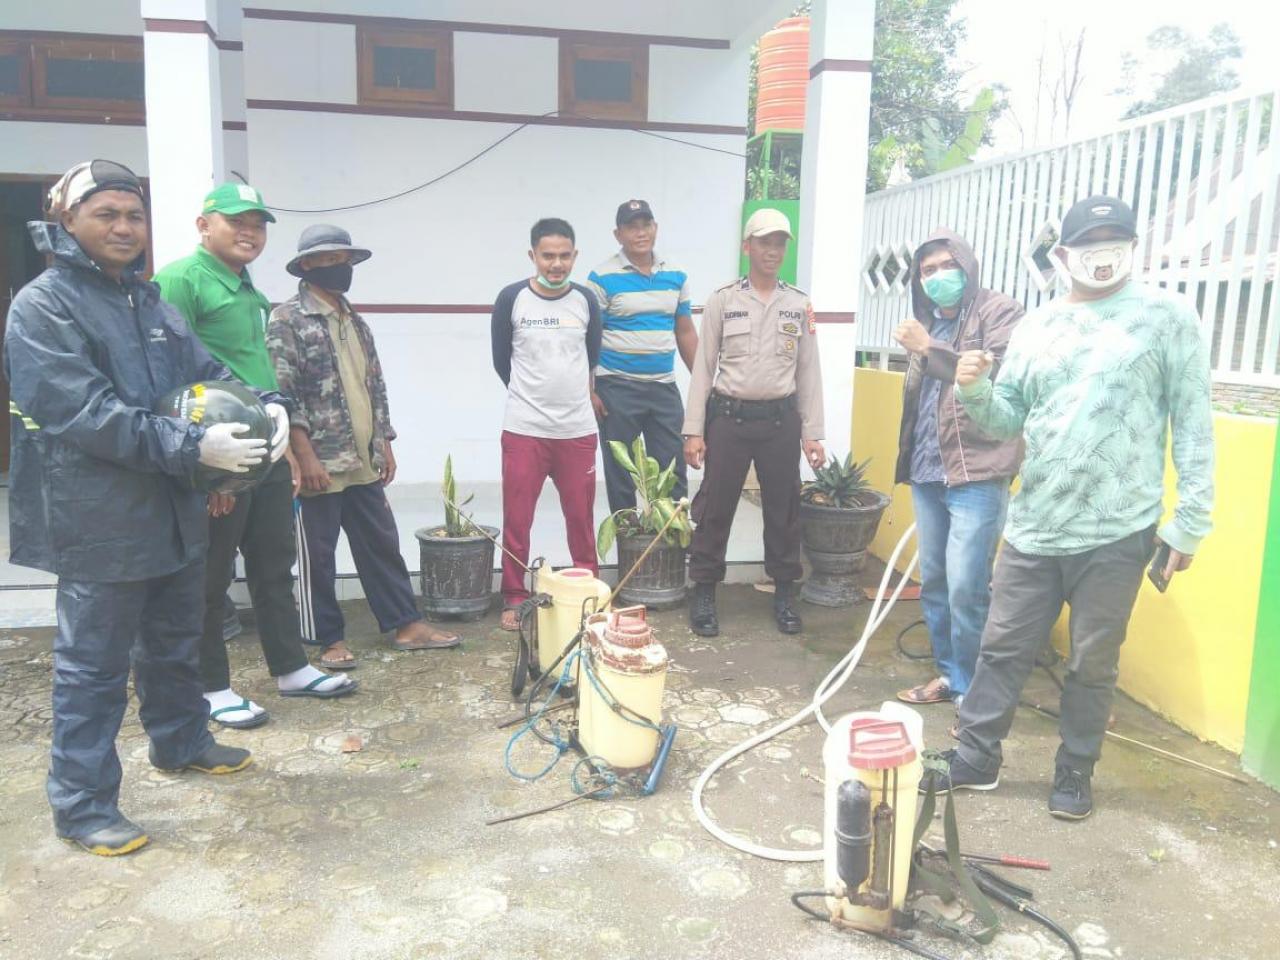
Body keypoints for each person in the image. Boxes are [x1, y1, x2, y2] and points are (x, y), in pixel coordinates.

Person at [4, 160, 274, 855]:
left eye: (134, 215)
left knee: (174, 640)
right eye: (107, 214)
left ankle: (180, 741)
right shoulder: (43, 306)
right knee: (92, 666)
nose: (124, 227)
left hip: (171, 507)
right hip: (97, 514)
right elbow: (88, 415)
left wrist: (263, 406)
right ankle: (83, 805)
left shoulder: (149, 303)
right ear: (67, 220)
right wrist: (195, 445)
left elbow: (207, 372)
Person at [922, 196, 1215, 821]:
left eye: (1116, 239)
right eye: (1090, 241)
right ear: (1062, 255)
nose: (1103, 252)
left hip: (1118, 530)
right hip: (1035, 526)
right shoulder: (1038, 326)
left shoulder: (1167, 317)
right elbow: (1008, 420)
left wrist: (1190, 521)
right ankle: (976, 756)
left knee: (1092, 661)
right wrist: (973, 387)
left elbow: (1193, 422)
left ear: (1134, 246)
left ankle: (1074, 771)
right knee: (1002, 648)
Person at [155, 183, 356, 729]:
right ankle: (210, 686)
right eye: (236, 220)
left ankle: (290, 667)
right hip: (217, 453)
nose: (250, 232)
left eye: (259, 223)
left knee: (273, 564)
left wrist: (288, 447)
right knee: (211, 575)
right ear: (203, 225)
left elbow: (261, 375)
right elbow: (168, 377)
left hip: (263, 445)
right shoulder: (180, 280)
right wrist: (205, 470)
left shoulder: (249, 291)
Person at [268, 224, 462, 668]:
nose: (340, 268)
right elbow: (284, 392)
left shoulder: (355, 320)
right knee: (317, 553)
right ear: (307, 265)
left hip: (362, 458)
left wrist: (384, 442)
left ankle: (405, 624)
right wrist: (303, 454)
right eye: (329, 260)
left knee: (380, 542)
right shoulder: (288, 319)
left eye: (344, 261)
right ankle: (327, 640)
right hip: (320, 459)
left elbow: (374, 387)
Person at [892, 230, 1024, 714]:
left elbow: (998, 379)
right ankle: (950, 673)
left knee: (969, 585)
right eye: (927, 270)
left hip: (977, 472)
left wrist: (928, 348)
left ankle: (975, 692)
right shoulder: (928, 321)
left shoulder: (999, 312)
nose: (937, 276)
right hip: (929, 470)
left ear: (967, 265)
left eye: (946, 265)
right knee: (935, 582)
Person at [683, 208, 826, 637]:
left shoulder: (799, 304)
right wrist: (693, 430)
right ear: (747, 247)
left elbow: (808, 372)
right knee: (715, 508)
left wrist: (812, 433)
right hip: (729, 419)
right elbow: (704, 369)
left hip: (780, 422)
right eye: (764, 242)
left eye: (780, 243)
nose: (773, 250)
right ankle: (705, 591)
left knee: (783, 510)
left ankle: (784, 593)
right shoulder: (723, 301)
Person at [490, 217, 603, 631]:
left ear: (575, 256)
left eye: (564, 256)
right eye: (548, 256)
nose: (556, 264)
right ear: (532, 256)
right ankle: (515, 596)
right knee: (517, 519)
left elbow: (591, 358)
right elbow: (502, 360)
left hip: (576, 431)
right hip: (524, 429)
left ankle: (587, 591)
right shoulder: (511, 299)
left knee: (581, 518)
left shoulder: (586, 302)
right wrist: (531, 398)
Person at [585, 199, 698, 514]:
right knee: (622, 474)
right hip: (617, 388)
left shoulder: (676, 275)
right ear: (617, 234)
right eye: (631, 227)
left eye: (646, 225)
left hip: (663, 388)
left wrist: (705, 384)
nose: (640, 233)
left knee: (672, 469)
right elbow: (588, 339)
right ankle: (628, 545)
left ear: (656, 228)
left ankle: (672, 545)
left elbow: (686, 332)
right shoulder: (601, 277)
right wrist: (589, 389)